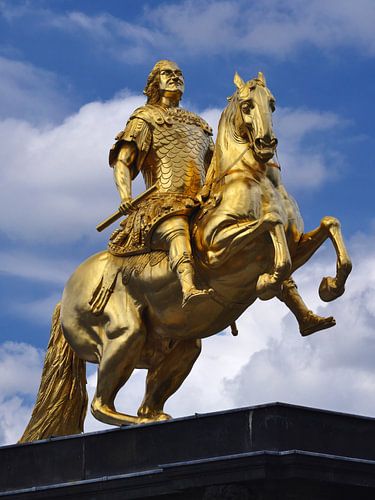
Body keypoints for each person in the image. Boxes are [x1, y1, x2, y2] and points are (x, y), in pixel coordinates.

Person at [108, 60, 214, 308]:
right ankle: (188, 287)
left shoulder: (199, 124)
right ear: (155, 82)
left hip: (200, 201)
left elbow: (215, 168)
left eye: (179, 73)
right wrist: (125, 197)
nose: (175, 77)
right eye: (168, 73)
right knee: (176, 227)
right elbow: (123, 161)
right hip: (162, 204)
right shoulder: (145, 118)